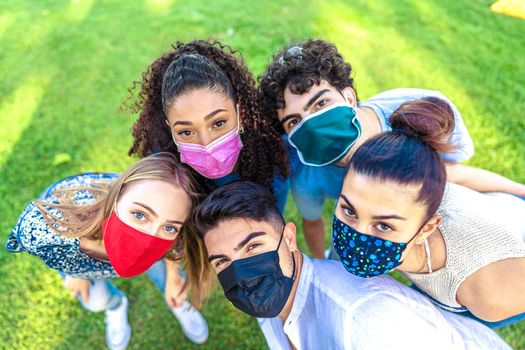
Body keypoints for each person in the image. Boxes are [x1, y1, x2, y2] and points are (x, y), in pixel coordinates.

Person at [258, 39, 525, 258]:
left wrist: (519, 192)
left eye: (320, 103)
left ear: (349, 97)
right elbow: (312, 222)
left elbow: (453, 173)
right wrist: (322, 266)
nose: (312, 124)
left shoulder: (422, 108)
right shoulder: (308, 177)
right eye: (294, 121)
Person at [187, 181, 511, 350]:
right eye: (223, 261)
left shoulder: (365, 324)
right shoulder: (275, 303)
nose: (241, 274)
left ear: (289, 238)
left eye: (253, 246)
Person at [332, 98, 525, 327]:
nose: (356, 234)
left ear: (428, 227)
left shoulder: (488, 295)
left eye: (384, 225)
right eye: (349, 210)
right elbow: (457, 174)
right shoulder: (417, 181)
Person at [5, 153, 208, 349]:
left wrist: (173, 278)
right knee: (95, 301)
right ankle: (116, 305)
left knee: (176, 286)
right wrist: (72, 272)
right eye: (139, 215)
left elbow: (178, 243)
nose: (148, 241)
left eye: (170, 227)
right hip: (78, 230)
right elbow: (26, 232)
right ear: (116, 198)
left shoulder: (172, 233)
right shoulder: (56, 233)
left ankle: (177, 303)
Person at [126, 39, 289, 213]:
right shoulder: (162, 171)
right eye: (186, 131)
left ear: (238, 110)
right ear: (170, 128)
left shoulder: (271, 159)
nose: (207, 144)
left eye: (218, 123)